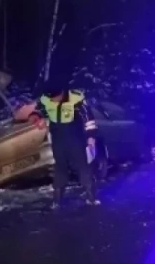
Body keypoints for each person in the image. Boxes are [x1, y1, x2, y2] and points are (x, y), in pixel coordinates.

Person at [18, 80, 100, 208]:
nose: (53, 100)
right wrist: (35, 117)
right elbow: (38, 111)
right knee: (60, 168)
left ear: (62, 93)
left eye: (55, 97)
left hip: (75, 138)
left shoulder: (76, 98)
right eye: (51, 98)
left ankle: (91, 198)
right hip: (58, 138)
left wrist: (91, 138)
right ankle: (56, 201)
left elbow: (89, 119)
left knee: (83, 167)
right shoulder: (46, 99)